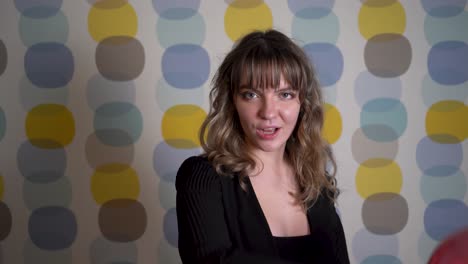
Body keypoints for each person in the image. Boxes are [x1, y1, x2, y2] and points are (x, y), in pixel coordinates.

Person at [175, 29, 350, 264]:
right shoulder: (203, 177)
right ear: (232, 102)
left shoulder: (316, 181)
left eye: (285, 94)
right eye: (251, 94)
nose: (268, 112)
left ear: (303, 103)